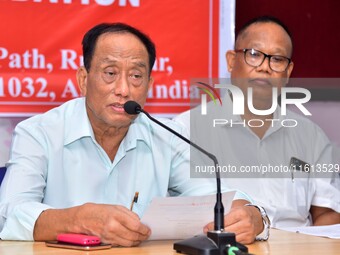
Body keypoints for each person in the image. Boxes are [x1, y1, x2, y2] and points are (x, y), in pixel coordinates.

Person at [0, 23, 264, 246]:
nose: (123, 89)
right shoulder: (38, 133)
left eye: (136, 76)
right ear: (83, 79)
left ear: (149, 85)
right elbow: (9, 213)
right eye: (110, 73)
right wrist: (77, 219)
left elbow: (215, 196)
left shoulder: (167, 135)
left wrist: (252, 216)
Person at [174, 16, 340, 228]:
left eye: (277, 59)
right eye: (254, 54)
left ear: (288, 72)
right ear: (232, 61)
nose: (265, 67)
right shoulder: (188, 129)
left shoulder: (311, 136)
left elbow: (328, 213)